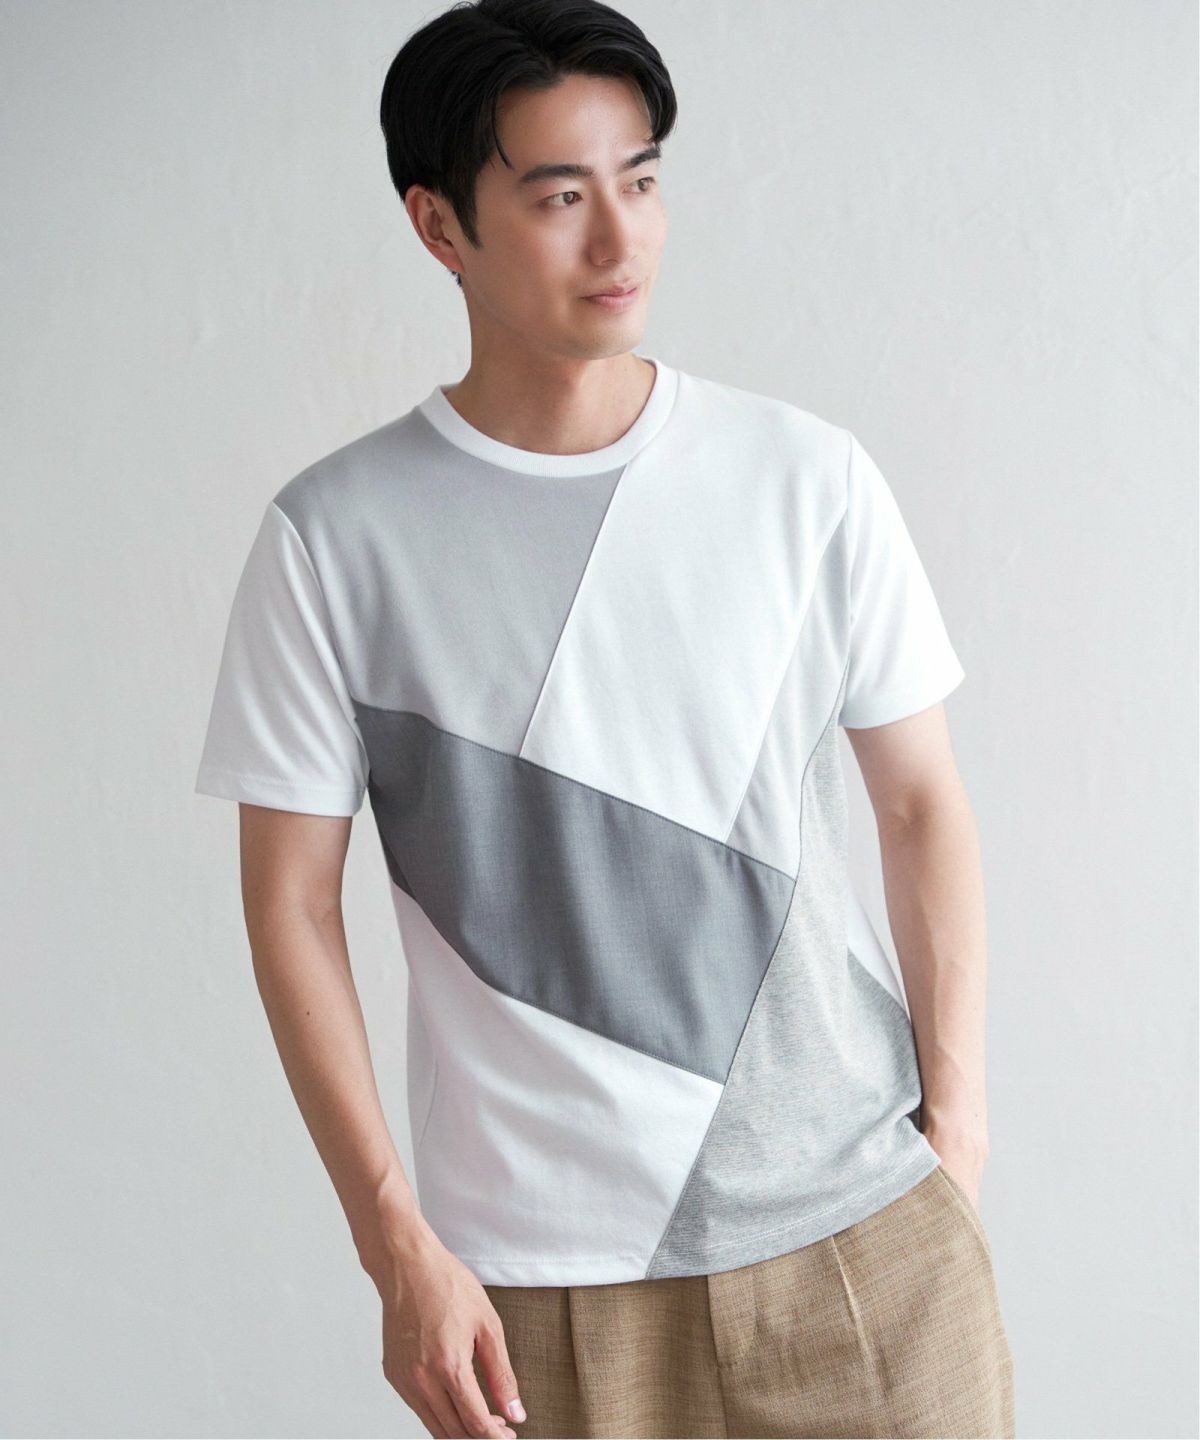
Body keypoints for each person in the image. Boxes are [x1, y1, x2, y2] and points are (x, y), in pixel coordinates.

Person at [194, 1, 1015, 1435]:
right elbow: (290, 906)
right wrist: (395, 1243)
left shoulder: (803, 479)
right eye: (560, 196)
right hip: (538, 1288)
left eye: (641, 180)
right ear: (439, 227)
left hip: (865, 1237)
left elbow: (921, 802)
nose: (620, 237)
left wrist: (957, 1135)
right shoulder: (336, 539)